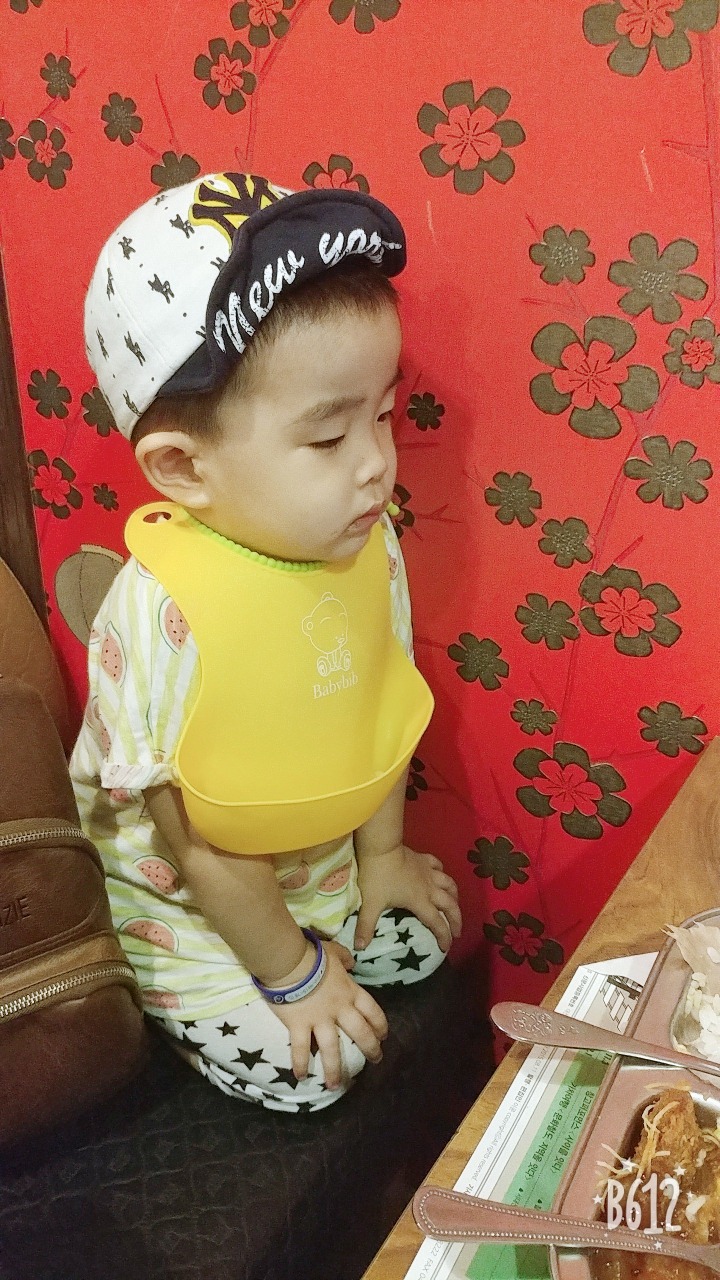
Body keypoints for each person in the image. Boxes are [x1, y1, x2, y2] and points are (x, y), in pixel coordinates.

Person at [71, 171, 461, 1113]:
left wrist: (384, 858)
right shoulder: (163, 618)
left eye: (382, 417)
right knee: (319, 1073)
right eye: (327, 440)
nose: (376, 466)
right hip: (194, 904)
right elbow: (200, 845)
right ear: (182, 468)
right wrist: (293, 974)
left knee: (425, 944)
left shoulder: (366, 540)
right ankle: (206, 993)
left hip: (318, 862)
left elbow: (377, 703)